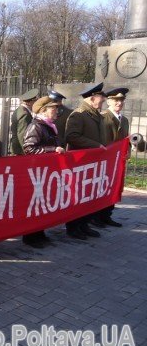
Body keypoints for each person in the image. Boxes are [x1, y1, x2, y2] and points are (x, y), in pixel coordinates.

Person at [64, 83, 107, 240]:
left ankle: (84, 224)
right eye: (101, 99)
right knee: (77, 196)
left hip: (92, 163)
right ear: (92, 98)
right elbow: (71, 136)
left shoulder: (95, 115)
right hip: (80, 162)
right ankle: (73, 227)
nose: (103, 101)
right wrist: (96, 146)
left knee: (88, 194)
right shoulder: (79, 114)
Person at [22, 96, 66, 247]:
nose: (56, 111)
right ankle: (30, 236)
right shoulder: (36, 126)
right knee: (35, 204)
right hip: (36, 172)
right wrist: (53, 149)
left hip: (45, 172)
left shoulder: (48, 125)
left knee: (43, 203)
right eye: (53, 108)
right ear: (43, 110)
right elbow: (29, 148)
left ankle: (39, 232)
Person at [97, 87, 130, 228]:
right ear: (108, 101)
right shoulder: (103, 117)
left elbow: (126, 138)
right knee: (102, 187)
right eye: (116, 100)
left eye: (121, 100)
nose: (119, 103)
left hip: (118, 161)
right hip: (105, 160)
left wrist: (128, 150)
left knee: (114, 187)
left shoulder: (124, 119)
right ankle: (97, 216)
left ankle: (107, 215)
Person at [10, 88, 39, 155]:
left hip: (18, 149)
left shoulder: (20, 110)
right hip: (20, 151)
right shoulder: (25, 114)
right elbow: (23, 135)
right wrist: (27, 151)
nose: (36, 103)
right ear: (29, 102)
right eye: (35, 101)